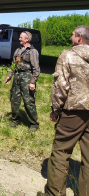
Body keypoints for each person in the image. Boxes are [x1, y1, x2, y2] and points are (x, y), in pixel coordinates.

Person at [38, 26, 89, 196]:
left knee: (61, 151)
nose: (70, 36)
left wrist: (55, 109)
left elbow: (60, 86)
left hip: (73, 111)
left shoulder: (68, 54)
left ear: (79, 38)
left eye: (73, 34)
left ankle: (55, 193)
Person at [5, 31, 40, 132]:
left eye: (21, 37)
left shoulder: (33, 51)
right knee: (14, 100)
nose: (19, 39)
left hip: (27, 78)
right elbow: (14, 65)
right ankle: (15, 120)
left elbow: (36, 69)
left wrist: (33, 82)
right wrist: (10, 76)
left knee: (28, 101)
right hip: (17, 77)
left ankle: (33, 124)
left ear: (27, 39)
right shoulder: (18, 50)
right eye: (19, 37)